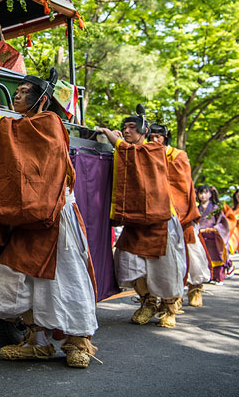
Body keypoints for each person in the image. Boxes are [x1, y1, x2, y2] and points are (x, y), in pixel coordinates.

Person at [0, 71, 98, 369]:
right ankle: (36, 341)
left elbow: (10, 134)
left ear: (41, 100)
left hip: (55, 216)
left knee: (66, 281)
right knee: (13, 279)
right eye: (18, 90)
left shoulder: (48, 123)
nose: (17, 95)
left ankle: (78, 342)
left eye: (25, 91)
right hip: (29, 221)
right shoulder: (22, 127)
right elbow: (7, 160)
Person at [97, 107, 186, 328]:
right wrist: (117, 145)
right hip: (135, 219)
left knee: (163, 266)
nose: (126, 131)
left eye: (131, 128)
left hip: (160, 219)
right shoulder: (127, 151)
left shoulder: (154, 150)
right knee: (127, 261)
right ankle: (148, 302)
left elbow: (134, 154)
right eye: (124, 128)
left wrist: (115, 140)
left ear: (143, 131)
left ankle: (169, 307)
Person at [148, 124, 208, 307]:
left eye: (158, 136)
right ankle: (161, 295)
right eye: (151, 136)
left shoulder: (178, 155)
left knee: (192, 249)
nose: (154, 139)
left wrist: (178, 211)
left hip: (179, 211)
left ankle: (195, 286)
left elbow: (182, 185)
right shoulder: (147, 153)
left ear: (166, 138)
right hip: (157, 211)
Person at [196, 185, 232, 284]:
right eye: (201, 193)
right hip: (201, 237)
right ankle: (207, 276)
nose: (203, 195)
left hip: (214, 237)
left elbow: (222, 222)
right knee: (203, 256)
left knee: (217, 255)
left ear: (210, 194)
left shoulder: (216, 208)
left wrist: (216, 229)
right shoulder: (196, 208)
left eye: (205, 193)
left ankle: (218, 277)